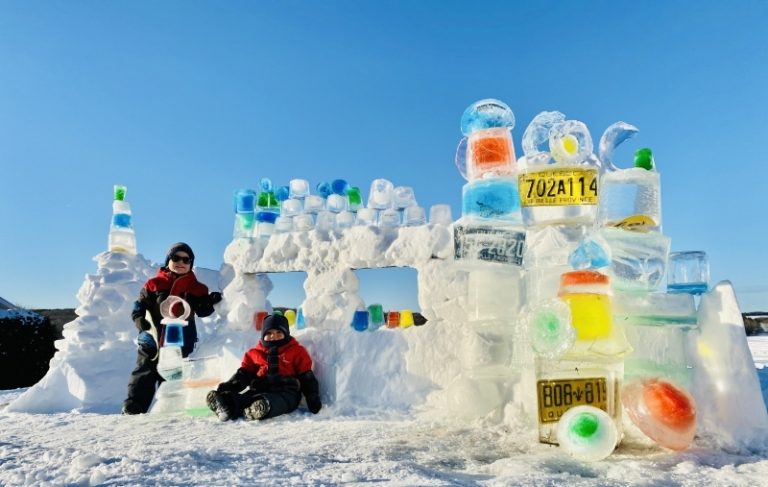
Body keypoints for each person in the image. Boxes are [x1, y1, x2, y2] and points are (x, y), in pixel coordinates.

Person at [122, 242, 222, 415]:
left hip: (180, 341)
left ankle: (169, 411)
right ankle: (133, 408)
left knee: (172, 376)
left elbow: (203, 311)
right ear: (168, 260)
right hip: (152, 339)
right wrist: (138, 318)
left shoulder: (197, 288)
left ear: (191, 264)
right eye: (176, 258)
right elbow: (140, 305)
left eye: (186, 260)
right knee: (144, 374)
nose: (181, 262)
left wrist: (210, 301)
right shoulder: (154, 284)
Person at [206, 314, 322, 421]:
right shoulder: (255, 353)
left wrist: (312, 397)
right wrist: (230, 386)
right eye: (269, 333)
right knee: (245, 399)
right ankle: (225, 406)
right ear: (263, 335)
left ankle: (261, 407)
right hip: (260, 390)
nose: (274, 336)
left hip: (287, 392)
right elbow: (243, 375)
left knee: (279, 402)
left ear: (286, 334)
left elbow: (306, 377)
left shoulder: (296, 351)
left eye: (279, 332)